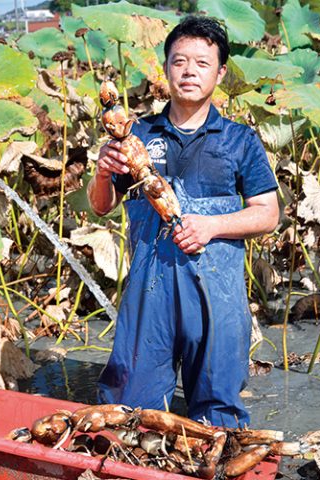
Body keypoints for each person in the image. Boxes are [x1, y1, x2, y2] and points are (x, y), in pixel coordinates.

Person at [87, 15, 279, 428]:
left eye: (202, 63)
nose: (189, 71)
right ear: (166, 67)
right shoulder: (135, 135)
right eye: (179, 61)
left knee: (219, 417)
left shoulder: (239, 140)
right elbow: (102, 206)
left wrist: (211, 226)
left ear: (220, 72)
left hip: (216, 293)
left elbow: (268, 213)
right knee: (129, 415)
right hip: (148, 291)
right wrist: (102, 173)